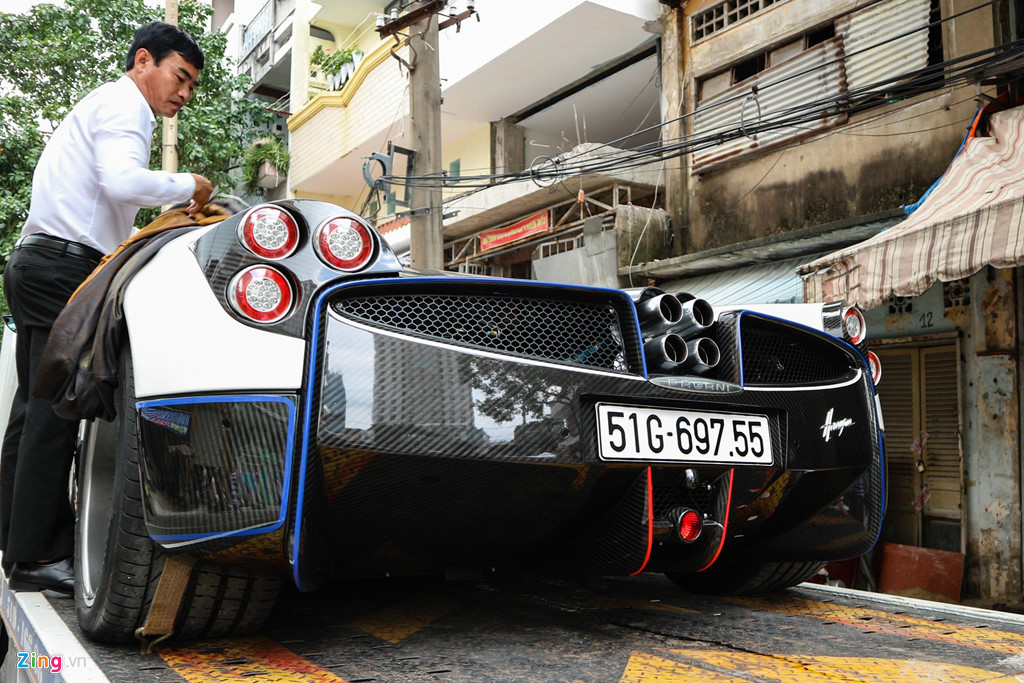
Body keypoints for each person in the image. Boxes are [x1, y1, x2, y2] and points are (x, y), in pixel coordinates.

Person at [0, 21, 212, 595]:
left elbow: (106, 199)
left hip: (35, 261)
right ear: (144, 60)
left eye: (191, 85)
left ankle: (17, 543)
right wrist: (189, 184)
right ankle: (38, 556)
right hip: (63, 268)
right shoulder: (127, 108)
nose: (184, 95)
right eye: (181, 77)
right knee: (54, 411)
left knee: (31, 408)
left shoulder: (101, 104)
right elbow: (122, 183)